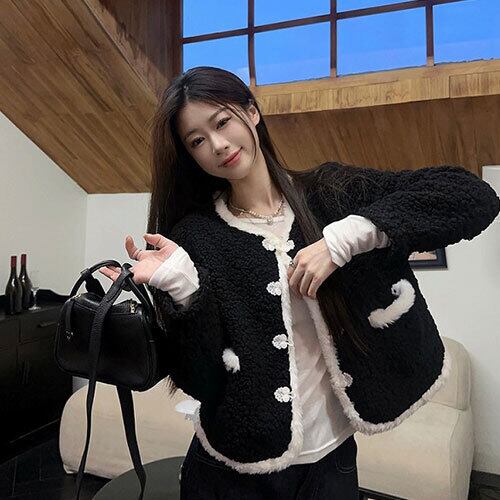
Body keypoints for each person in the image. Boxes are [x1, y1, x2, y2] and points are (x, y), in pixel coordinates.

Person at [99, 66, 500, 499]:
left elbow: (472, 197)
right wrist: (185, 291)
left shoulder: (331, 193)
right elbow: (202, 382)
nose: (218, 144)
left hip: (332, 464)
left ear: (251, 112)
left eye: (223, 121)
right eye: (197, 140)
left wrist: (349, 237)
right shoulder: (195, 237)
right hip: (230, 471)